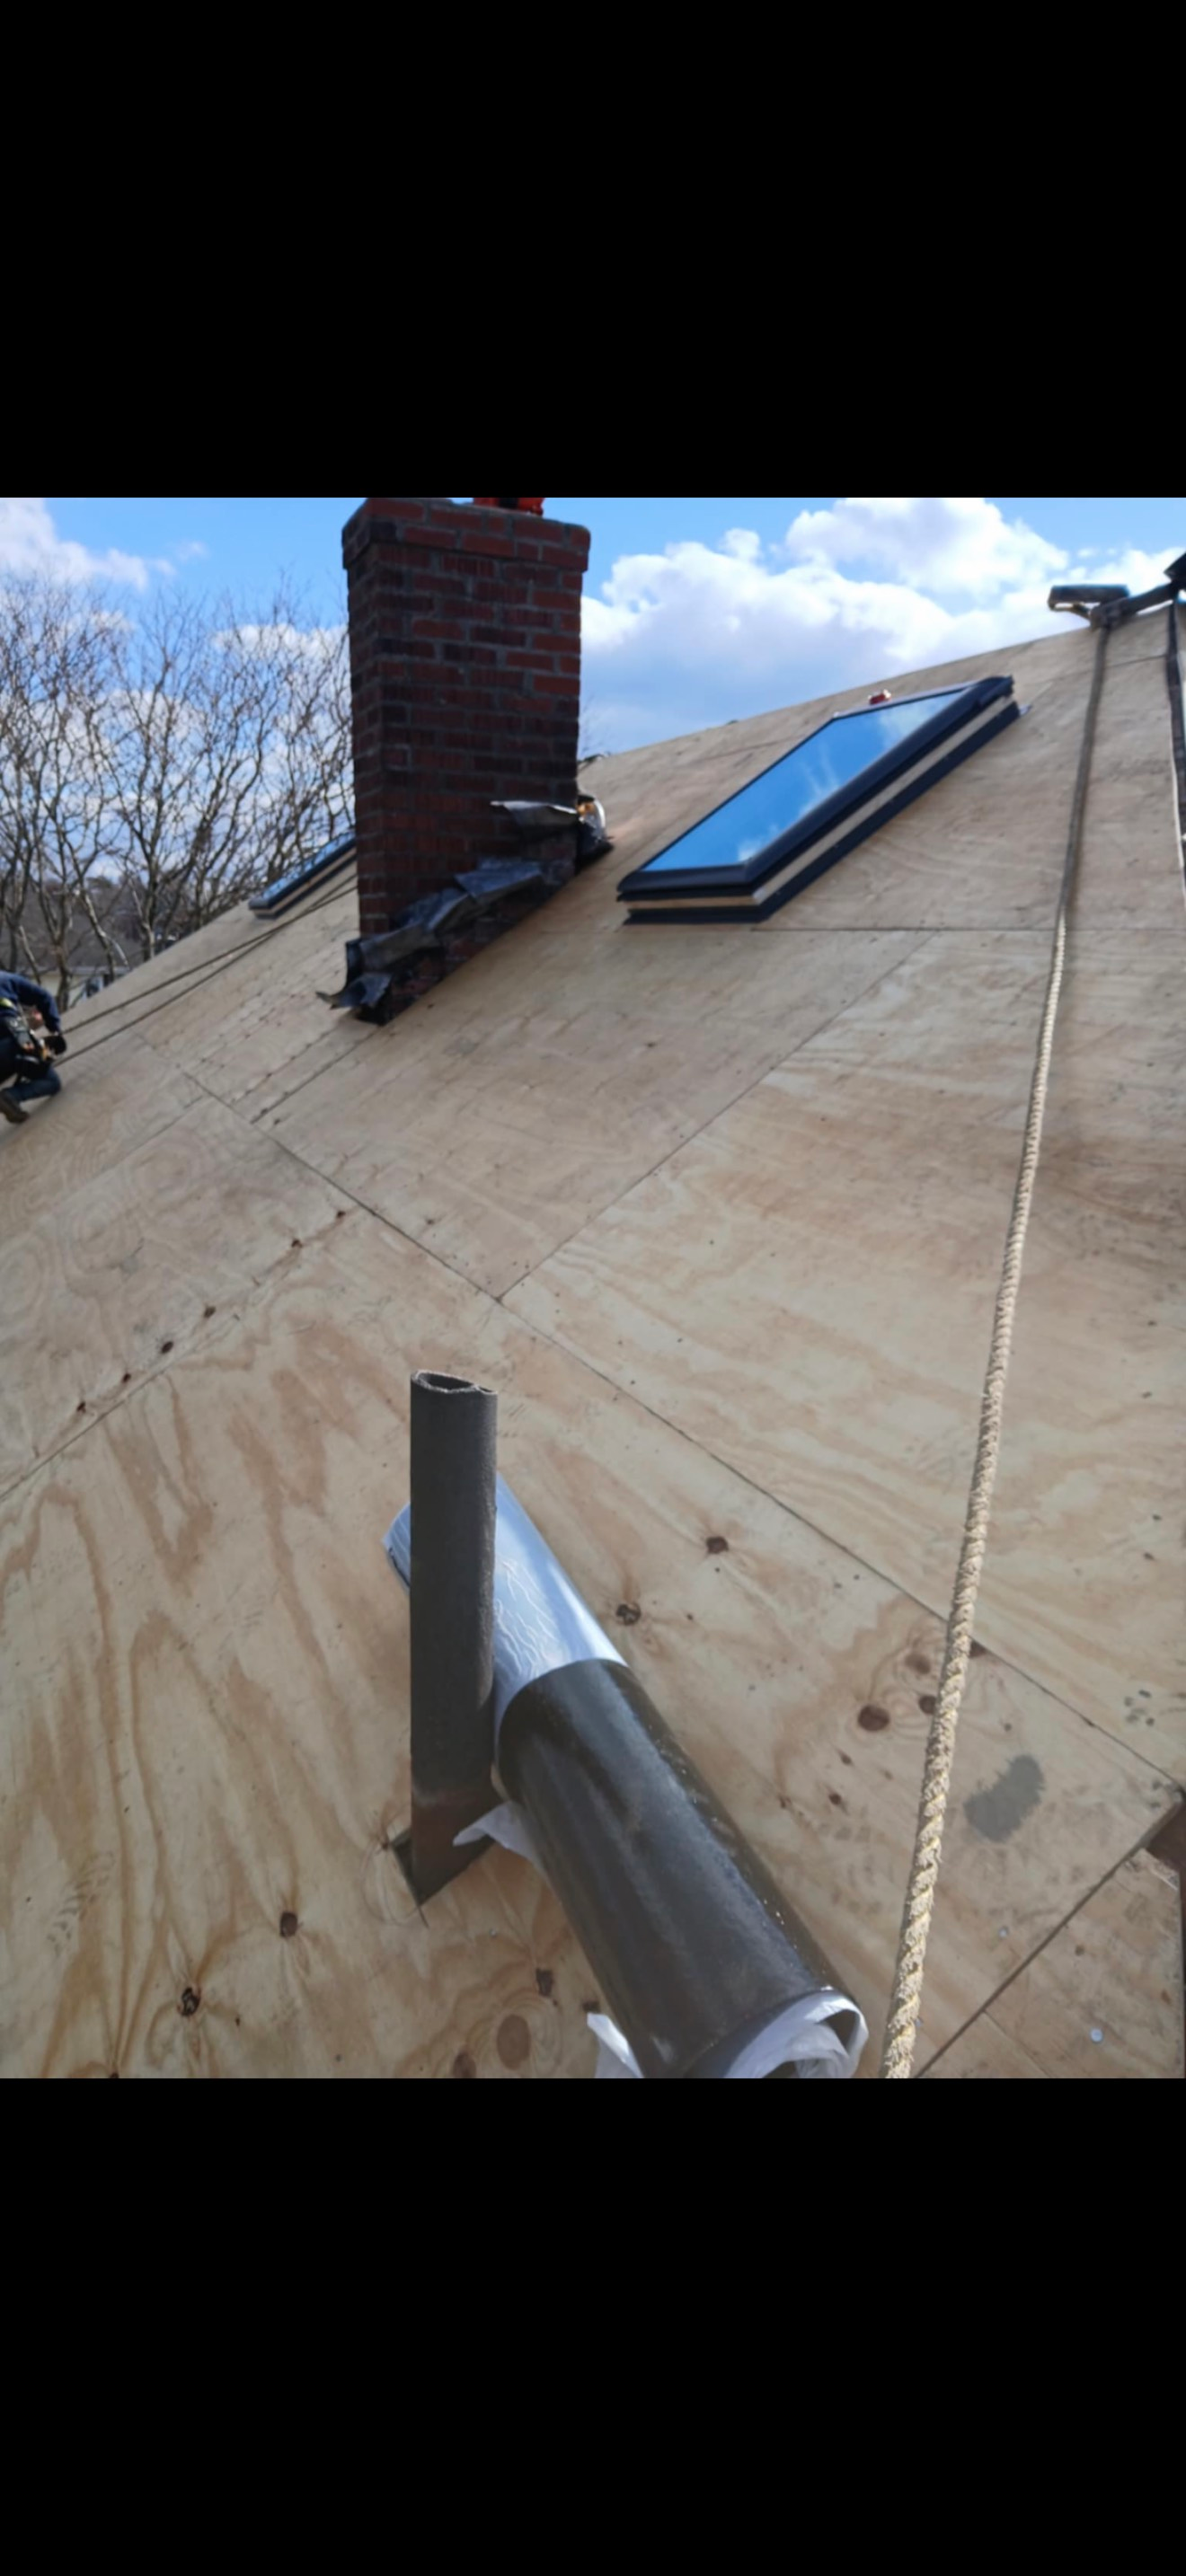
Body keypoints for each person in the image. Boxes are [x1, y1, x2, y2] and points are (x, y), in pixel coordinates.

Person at [0, 971, 67, 1126]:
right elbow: (44, 997)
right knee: (51, 1081)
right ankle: (12, 1095)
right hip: (13, 1034)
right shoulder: (5, 979)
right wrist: (55, 1029)